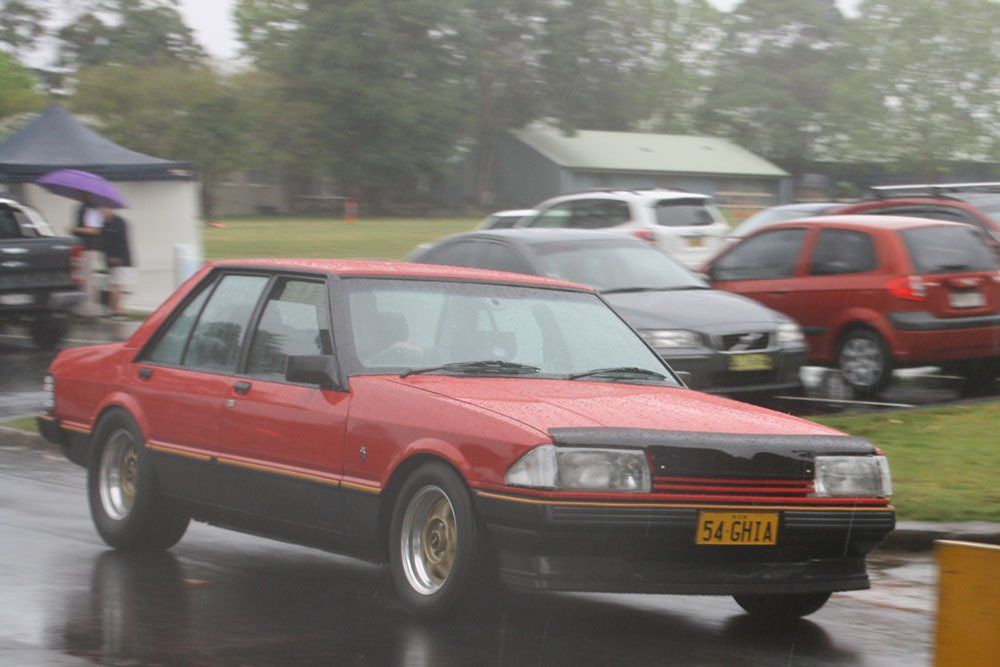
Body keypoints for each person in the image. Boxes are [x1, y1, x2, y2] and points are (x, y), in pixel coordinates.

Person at [98, 208, 134, 320]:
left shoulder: (119, 223)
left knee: (116, 286)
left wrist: (116, 256)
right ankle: (113, 309)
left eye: (104, 210)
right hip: (110, 260)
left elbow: (120, 241)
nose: (102, 212)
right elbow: (104, 243)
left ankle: (115, 310)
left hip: (120, 259)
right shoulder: (105, 224)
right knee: (113, 285)